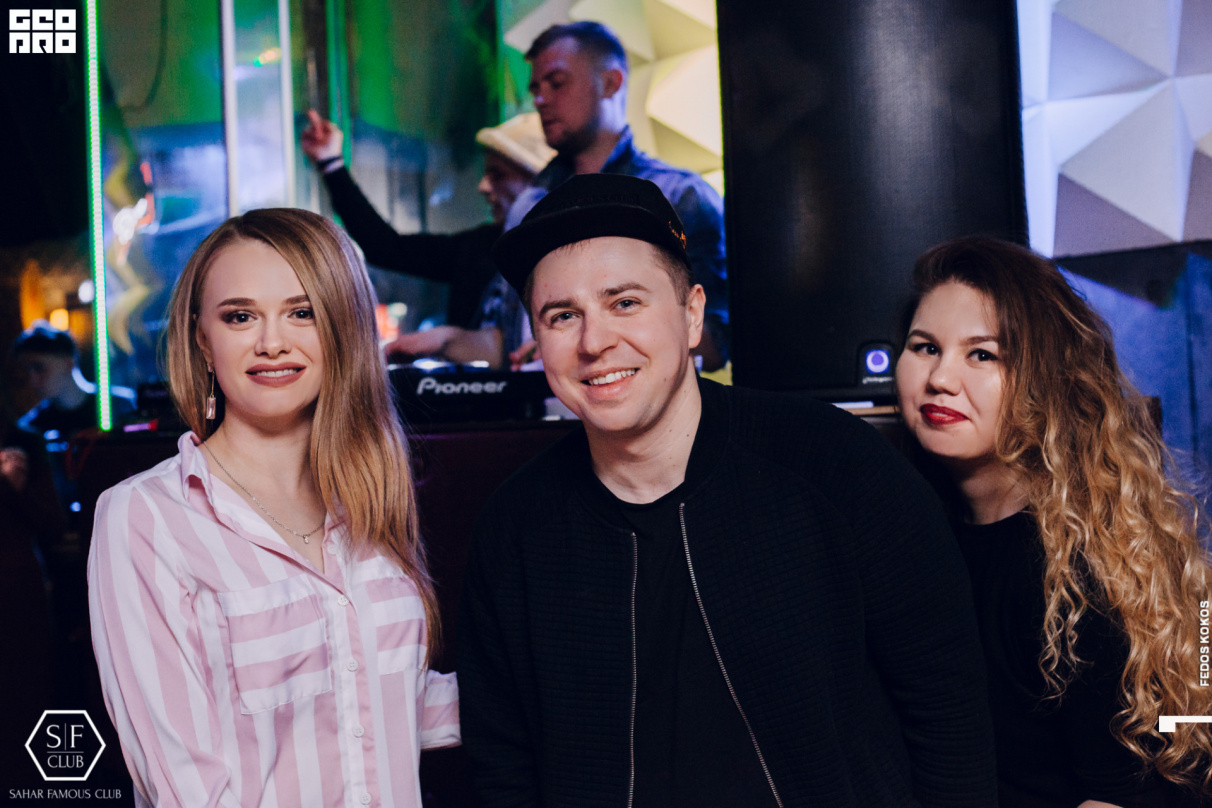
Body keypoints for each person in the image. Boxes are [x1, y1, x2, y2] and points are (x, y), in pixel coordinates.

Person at [457, 174, 997, 806]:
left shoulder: (835, 464)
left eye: (624, 303)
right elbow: (503, 772)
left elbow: (950, 717)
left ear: (692, 315)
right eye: (562, 316)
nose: (594, 342)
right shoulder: (515, 530)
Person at [88, 208, 459, 807]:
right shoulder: (145, 517)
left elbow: (391, 702)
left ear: (341, 327)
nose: (271, 343)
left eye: (302, 312)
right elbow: (186, 787)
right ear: (203, 338)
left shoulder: (369, 496)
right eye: (240, 317)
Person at [895, 236, 1212, 807]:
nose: (940, 377)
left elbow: (1134, 791)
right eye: (925, 347)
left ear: (1044, 378)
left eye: (982, 355)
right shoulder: (918, 528)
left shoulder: (1071, 572)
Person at [489, 20, 730, 372]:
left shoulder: (681, 196)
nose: (540, 100)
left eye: (557, 83)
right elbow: (507, 340)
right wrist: (446, 342)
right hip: (537, 405)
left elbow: (715, 343)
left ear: (610, 83)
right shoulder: (528, 203)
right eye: (536, 88)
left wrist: (584, 342)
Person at [301, 110, 554, 368]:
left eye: (498, 175)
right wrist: (331, 164)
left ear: (537, 184)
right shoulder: (480, 246)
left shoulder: (559, 257)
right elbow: (385, 247)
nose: (483, 187)